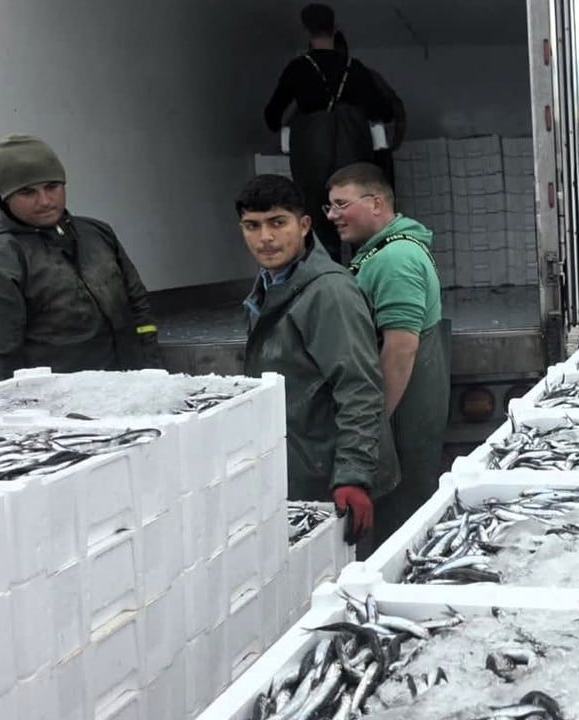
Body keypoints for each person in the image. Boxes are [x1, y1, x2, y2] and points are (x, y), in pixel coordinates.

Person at [235, 174, 398, 547]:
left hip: (334, 480)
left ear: (305, 225)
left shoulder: (329, 292)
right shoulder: (271, 284)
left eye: (278, 223)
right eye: (252, 226)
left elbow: (359, 386)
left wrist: (354, 476)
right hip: (301, 468)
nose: (265, 238)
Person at [325, 162, 447, 547]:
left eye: (340, 204)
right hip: (398, 425)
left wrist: (371, 429)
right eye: (329, 206)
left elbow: (400, 349)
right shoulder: (382, 253)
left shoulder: (396, 260)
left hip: (401, 429)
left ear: (376, 203)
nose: (332, 216)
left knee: (398, 537)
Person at [0, 134, 164, 380]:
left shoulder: (97, 233)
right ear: (4, 199)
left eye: (52, 187)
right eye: (27, 192)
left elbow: (139, 306)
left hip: (131, 387)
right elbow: (3, 352)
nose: (44, 201)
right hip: (61, 406)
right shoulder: (5, 254)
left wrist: (152, 368)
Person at [264, 3, 393, 262]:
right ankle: (362, 279)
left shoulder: (298, 69)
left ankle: (330, 280)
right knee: (358, 219)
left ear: (306, 31)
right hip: (354, 154)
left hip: (312, 156)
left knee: (320, 220)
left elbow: (272, 116)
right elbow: (384, 111)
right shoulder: (354, 68)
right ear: (335, 29)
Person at [333, 31, 406, 189]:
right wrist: (397, 137)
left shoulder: (316, 80)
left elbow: (394, 105)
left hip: (353, 146)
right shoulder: (366, 74)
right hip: (372, 141)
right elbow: (395, 104)